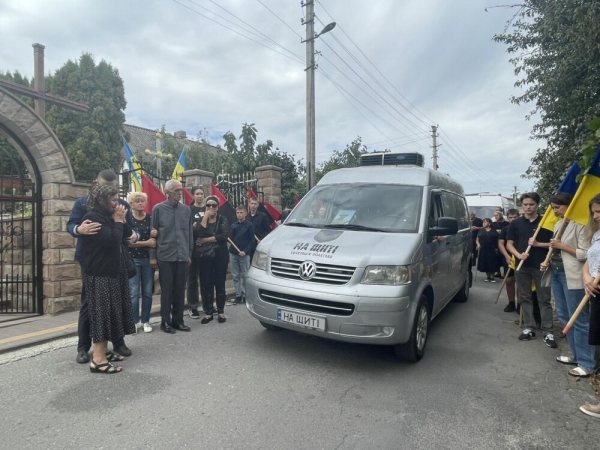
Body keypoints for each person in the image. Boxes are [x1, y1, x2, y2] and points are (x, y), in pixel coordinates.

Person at [67, 169, 137, 364]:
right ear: (96, 184)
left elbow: (128, 229)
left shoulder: (120, 204)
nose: (114, 197)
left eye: (113, 189)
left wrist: (134, 235)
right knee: (90, 304)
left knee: (115, 302)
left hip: (116, 260)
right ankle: (83, 347)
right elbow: (71, 224)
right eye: (106, 188)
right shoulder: (83, 203)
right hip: (94, 261)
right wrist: (79, 229)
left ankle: (117, 342)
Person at [540, 193, 594, 363]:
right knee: (564, 317)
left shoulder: (582, 226)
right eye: (553, 208)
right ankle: (575, 356)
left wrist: (562, 246)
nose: (555, 211)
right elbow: (555, 251)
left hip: (573, 277)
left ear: (569, 206)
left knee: (578, 319)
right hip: (556, 273)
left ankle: (586, 362)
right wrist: (547, 261)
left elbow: (586, 254)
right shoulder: (558, 225)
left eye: (558, 207)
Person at [506, 192, 553, 343]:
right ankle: (529, 327)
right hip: (522, 266)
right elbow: (509, 244)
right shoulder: (516, 223)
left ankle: (547, 330)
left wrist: (539, 244)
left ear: (537, 205)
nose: (528, 207)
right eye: (525, 204)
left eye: (531, 204)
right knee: (525, 298)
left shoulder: (545, 222)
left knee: (544, 299)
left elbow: (554, 244)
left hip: (541, 266)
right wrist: (518, 255)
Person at [150, 179, 193, 334]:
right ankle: (165, 322)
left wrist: (189, 253)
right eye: (176, 191)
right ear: (167, 193)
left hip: (182, 256)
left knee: (180, 290)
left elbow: (189, 233)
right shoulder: (158, 209)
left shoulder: (186, 210)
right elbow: (152, 234)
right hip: (165, 256)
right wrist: (152, 256)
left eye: (180, 190)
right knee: (166, 291)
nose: (179, 194)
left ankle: (178, 321)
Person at [580, 194, 600, 418]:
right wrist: (587, 278)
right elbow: (589, 262)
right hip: (596, 293)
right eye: (594, 212)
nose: (595, 216)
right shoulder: (597, 234)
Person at [196, 196, 230, 324]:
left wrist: (205, 240)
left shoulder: (222, 219)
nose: (211, 208)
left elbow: (223, 236)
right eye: (208, 205)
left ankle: (220, 311)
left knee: (219, 283)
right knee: (206, 284)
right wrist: (205, 217)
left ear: (217, 207)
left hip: (220, 256)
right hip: (205, 257)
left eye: (214, 206)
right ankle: (209, 312)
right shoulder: (201, 220)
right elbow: (200, 233)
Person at [127, 192, 156, 333]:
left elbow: (154, 241)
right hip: (133, 260)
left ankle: (146, 320)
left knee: (147, 292)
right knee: (133, 292)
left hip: (147, 259)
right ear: (131, 204)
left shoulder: (150, 218)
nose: (140, 203)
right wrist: (147, 242)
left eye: (142, 201)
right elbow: (128, 243)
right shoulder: (128, 219)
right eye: (137, 201)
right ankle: (134, 322)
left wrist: (154, 237)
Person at [229, 205, 255, 305]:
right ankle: (238, 295)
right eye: (237, 213)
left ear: (245, 213)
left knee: (245, 275)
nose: (239, 214)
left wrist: (245, 251)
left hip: (244, 254)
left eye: (241, 212)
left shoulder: (249, 225)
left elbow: (252, 241)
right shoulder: (233, 225)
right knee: (235, 275)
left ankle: (245, 295)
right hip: (234, 253)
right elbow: (231, 239)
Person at [187, 186, 206, 319]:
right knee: (192, 279)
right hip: (193, 250)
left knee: (206, 278)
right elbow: (186, 229)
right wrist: (192, 228)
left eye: (201, 194)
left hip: (206, 250)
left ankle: (207, 304)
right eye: (197, 194)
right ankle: (193, 307)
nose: (199, 196)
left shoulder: (208, 208)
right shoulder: (188, 210)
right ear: (193, 195)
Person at [498, 209, 520, 312]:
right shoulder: (505, 229)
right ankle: (511, 302)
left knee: (521, 282)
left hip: (521, 257)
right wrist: (507, 256)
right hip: (509, 258)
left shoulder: (522, 228)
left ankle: (520, 304)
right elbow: (501, 244)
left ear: (518, 217)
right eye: (510, 217)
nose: (512, 219)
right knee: (509, 281)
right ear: (507, 218)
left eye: (515, 217)